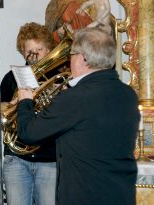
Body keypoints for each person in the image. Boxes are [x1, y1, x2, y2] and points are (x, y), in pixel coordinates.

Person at [16, 27, 139, 205]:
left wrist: (25, 102)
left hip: (84, 197)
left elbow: (29, 133)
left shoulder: (75, 97)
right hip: (121, 196)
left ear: (82, 58)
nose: (69, 59)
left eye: (71, 53)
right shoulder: (127, 94)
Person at [0, 22, 57, 205]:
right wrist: (12, 106)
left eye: (39, 49)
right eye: (28, 50)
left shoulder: (59, 78)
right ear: (22, 52)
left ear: (48, 49)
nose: (34, 54)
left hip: (49, 158)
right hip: (17, 158)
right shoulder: (11, 78)